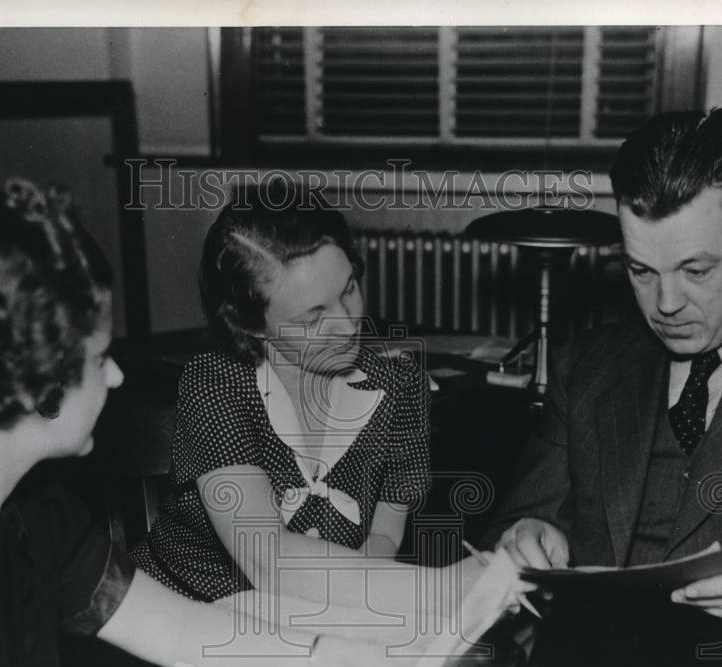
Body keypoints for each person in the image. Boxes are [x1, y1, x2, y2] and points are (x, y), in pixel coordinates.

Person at [0, 178, 424, 667]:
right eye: (100, 359)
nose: (120, 377)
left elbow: (182, 629)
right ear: (30, 385)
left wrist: (323, 661)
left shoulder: (37, 510)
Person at [485, 107, 722, 667]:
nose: (666, 305)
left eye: (696, 271)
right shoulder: (588, 365)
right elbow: (517, 520)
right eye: (642, 271)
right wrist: (525, 535)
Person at [130, 180, 494, 614]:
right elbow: (268, 563)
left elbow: (383, 539)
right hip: (181, 624)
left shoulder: (401, 386)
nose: (347, 324)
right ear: (250, 326)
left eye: (349, 289)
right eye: (313, 316)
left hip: (311, 626)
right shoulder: (216, 385)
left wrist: (361, 607)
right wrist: (443, 591)